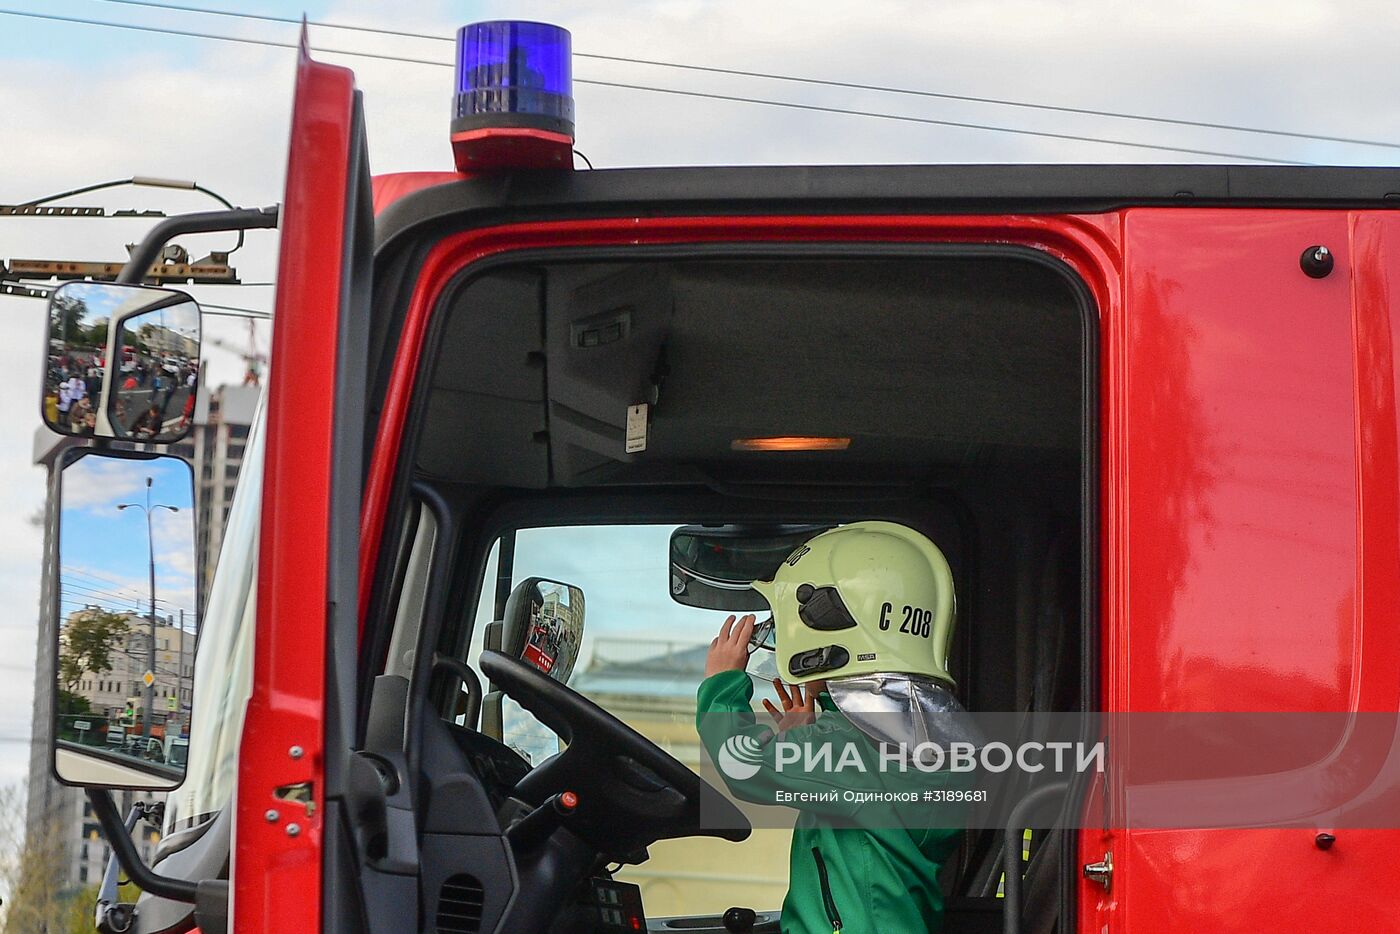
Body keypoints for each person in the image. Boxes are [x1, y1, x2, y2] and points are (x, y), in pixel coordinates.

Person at [697, 521, 967, 934]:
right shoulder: (935, 737)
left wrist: (721, 685)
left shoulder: (847, 749)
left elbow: (740, 764)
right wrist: (806, 730)